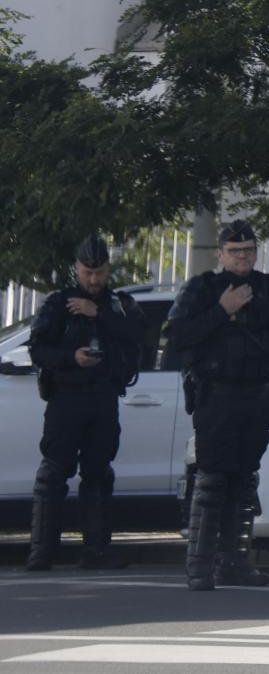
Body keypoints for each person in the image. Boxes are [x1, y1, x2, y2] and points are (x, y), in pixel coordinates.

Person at [166, 219, 269, 591]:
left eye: (248, 250)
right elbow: (177, 337)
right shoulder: (203, 289)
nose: (242, 257)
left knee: (244, 482)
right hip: (216, 395)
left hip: (258, 394)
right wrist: (220, 311)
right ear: (221, 254)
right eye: (234, 251)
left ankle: (235, 562)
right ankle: (199, 565)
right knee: (212, 479)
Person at [24, 236, 143, 571]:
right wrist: (70, 358)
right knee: (53, 473)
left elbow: (136, 337)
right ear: (77, 268)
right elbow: (37, 350)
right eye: (88, 272)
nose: (94, 279)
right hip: (66, 397)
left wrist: (98, 313)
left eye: (100, 272)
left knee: (98, 474)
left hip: (104, 397)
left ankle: (97, 551)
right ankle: (41, 552)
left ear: (108, 270)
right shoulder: (59, 303)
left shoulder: (120, 305)